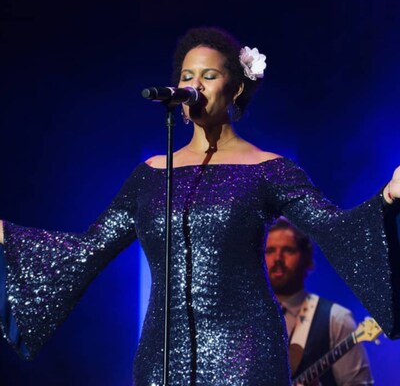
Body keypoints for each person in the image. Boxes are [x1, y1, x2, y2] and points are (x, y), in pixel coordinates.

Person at [0, 27, 399, 385]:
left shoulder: (268, 169)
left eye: (209, 76)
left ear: (235, 88)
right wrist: (7, 237)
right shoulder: (151, 174)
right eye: (187, 76)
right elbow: (91, 247)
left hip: (245, 353)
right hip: (162, 353)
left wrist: (387, 199)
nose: (195, 84)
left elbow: (333, 227)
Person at [265, 217, 374, 385]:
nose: (277, 258)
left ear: (306, 258)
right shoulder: (245, 318)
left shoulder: (336, 319)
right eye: (270, 250)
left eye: (288, 250)